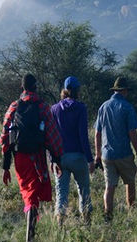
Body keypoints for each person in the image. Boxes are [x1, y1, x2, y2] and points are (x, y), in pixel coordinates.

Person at [0, 74, 63, 242]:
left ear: (22, 88)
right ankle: (30, 235)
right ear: (35, 87)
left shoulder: (14, 106)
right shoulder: (43, 107)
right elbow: (52, 135)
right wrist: (56, 158)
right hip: (37, 156)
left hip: (20, 157)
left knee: (28, 193)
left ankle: (31, 233)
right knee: (34, 193)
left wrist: (6, 165)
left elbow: (5, 136)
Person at [94, 76, 137, 221]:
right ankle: (131, 211)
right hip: (124, 153)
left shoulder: (103, 106)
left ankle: (108, 215)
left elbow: (97, 133)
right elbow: (132, 133)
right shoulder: (127, 107)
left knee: (109, 186)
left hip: (107, 155)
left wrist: (98, 155)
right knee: (130, 182)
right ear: (124, 91)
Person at [51, 76, 95, 226]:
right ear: (76, 90)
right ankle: (87, 225)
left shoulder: (55, 109)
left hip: (60, 157)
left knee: (61, 194)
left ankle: (60, 227)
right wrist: (90, 159)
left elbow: (51, 136)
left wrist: (52, 159)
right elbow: (83, 136)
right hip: (78, 156)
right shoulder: (81, 108)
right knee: (84, 192)